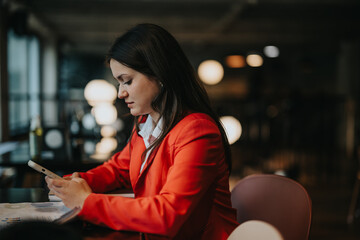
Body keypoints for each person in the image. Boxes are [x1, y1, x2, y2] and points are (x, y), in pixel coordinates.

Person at [46, 23, 238, 239]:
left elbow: (168, 214)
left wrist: (85, 201)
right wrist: (76, 181)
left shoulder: (197, 131)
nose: (120, 93)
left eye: (127, 81)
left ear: (160, 75)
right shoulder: (146, 123)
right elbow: (118, 170)